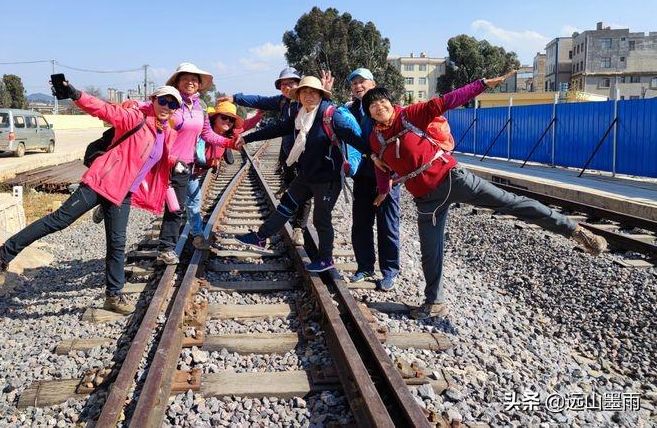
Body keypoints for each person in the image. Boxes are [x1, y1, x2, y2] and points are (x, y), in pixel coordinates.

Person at [364, 72, 608, 319]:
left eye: (382, 101)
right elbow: (382, 167)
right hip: (426, 200)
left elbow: (449, 100)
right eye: (373, 105)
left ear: (391, 102)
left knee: (511, 203)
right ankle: (434, 302)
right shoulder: (376, 139)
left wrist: (482, 84)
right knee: (430, 251)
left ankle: (574, 230)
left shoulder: (411, 115)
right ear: (370, 113)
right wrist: (383, 191)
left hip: (453, 179)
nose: (379, 107)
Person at [0, 84, 183, 314]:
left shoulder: (165, 132)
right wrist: (75, 94)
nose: (167, 106)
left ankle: (113, 295)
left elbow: (153, 157)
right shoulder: (135, 118)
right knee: (59, 220)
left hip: (122, 194)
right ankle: (3, 254)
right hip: (100, 183)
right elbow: (103, 109)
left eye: (172, 104)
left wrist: (178, 162)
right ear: (154, 99)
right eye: (163, 101)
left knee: (117, 244)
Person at [235, 76, 367, 272]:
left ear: (321, 95)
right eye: (304, 92)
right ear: (299, 96)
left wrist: (375, 155)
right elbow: (277, 129)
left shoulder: (331, 115)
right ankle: (261, 237)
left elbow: (354, 138)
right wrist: (248, 138)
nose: (308, 96)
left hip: (327, 179)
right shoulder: (300, 115)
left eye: (313, 92)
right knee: (286, 204)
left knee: (321, 219)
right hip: (306, 175)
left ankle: (326, 259)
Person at [219, 67, 333, 245]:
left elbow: (327, 114)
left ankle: (299, 229)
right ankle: (263, 235)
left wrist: (325, 95)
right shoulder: (283, 103)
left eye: (291, 83)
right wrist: (235, 98)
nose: (286, 87)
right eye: (283, 84)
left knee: (310, 203)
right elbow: (260, 102)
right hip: (290, 155)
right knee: (290, 193)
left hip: (313, 162)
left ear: (298, 85)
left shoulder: (311, 106)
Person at [144, 63, 236, 264]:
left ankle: (184, 241)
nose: (190, 82)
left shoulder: (199, 106)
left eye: (194, 79)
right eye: (185, 78)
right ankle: (110, 203)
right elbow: (151, 116)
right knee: (165, 203)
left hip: (186, 166)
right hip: (167, 161)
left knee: (181, 205)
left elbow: (207, 133)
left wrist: (229, 143)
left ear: (199, 84)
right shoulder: (170, 102)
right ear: (177, 82)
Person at [345, 68, 401, 290]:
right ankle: (365, 266)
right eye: (354, 84)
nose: (358, 86)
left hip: (387, 176)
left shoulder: (386, 108)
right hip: (362, 176)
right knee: (361, 224)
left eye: (362, 81)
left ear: (373, 84)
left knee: (388, 225)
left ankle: (389, 272)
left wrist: (391, 177)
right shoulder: (349, 110)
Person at [186, 102, 263, 249]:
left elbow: (247, 125)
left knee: (191, 200)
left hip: (197, 171)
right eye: (224, 117)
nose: (228, 121)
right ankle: (195, 235)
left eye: (231, 119)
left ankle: (192, 234)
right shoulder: (201, 130)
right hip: (187, 168)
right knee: (193, 200)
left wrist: (259, 114)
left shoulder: (230, 133)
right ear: (214, 118)